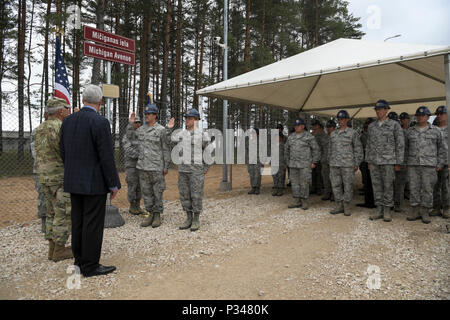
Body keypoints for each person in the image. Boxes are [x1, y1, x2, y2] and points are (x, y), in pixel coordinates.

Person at [60, 85, 121, 278]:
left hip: (73, 180)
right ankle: (90, 265)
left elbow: (63, 151)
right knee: (92, 224)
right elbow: (106, 156)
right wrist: (113, 183)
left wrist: (72, 171)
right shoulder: (100, 122)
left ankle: (78, 261)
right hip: (93, 182)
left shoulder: (68, 121)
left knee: (77, 221)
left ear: (83, 99)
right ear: (100, 102)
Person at [35, 99, 72, 262]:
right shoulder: (60, 127)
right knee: (62, 214)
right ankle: (59, 249)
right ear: (60, 111)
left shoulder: (39, 129)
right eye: (67, 109)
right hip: (59, 178)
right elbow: (65, 151)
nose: (69, 112)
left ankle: (51, 249)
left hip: (44, 177)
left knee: (50, 213)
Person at [405, 106, 447, 224]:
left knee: (428, 189)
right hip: (413, 165)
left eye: (423, 115)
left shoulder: (436, 131)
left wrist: (440, 163)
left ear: (428, 117)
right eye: (418, 115)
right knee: (414, 188)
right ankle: (415, 211)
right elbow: (406, 149)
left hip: (429, 165)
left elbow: (442, 149)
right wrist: (406, 162)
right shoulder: (410, 131)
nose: (420, 117)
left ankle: (425, 211)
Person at [366, 100, 404, 222]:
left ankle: (387, 210)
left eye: (381, 109)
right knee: (376, 186)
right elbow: (368, 144)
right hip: (374, 161)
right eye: (377, 109)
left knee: (387, 186)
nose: (378, 111)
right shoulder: (372, 126)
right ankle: (379, 209)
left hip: (388, 161)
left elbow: (400, 144)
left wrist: (398, 162)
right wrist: (368, 161)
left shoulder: (394, 125)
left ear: (387, 110)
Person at [173, 109, 210, 232]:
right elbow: (171, 143)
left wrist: (205, 167)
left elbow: (209, 151)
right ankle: (188, 217)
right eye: (186, 118)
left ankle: (196, 218)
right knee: (184, 194)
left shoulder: (202, 135)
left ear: (195, 120)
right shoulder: (182, 134)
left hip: (196, 170)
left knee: (196, 194)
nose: (187, 120)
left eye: (189, 118)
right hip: (183, 170)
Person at [137, 104, 171, 228]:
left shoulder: (161, 130)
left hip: (156, 166)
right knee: (146, 192)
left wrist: (166, 165)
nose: (146, 116)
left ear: (155, 115)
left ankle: (157, 215)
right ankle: (150, 213)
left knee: (157, 191)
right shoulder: (140, 129)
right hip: (143, 166)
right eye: (145, 114)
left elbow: (166, 148)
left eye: (149, 114)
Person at [329, 110, 363, 216]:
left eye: (342, 119)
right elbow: (330, 149)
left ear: (347, 119)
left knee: (348, 185)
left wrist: (356, 162)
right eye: (339, 119)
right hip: (334, 164)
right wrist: (329, 161)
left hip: (348, 164)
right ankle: (339, 205)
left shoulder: (352, 133)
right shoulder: (333, 134)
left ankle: (347, 205)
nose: (340, 121)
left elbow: (358, 149)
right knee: (336, 185)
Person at [285, 118, 321, 211]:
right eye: (296, 126)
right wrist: (288, 162)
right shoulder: (291, 137)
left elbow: (316, 149)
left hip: (305, 165)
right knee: (294, 183)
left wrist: (314, 162)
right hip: (293, 165)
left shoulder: (309, 136)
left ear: (303, 126)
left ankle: (304, 201)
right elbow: (286, 150)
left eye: (299, 125)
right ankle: (296, 201)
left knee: (304, 183)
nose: (297, 127)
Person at [123, 113, 146, 215]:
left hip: (141, 165)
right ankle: (132, 205)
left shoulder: (141, 136)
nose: (138, 125)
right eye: (135, 122)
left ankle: (137, 205)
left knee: (140, 186)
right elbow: (128, 150)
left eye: (139, 123)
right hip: (131, 165)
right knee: (132, 184)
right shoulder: (127, 137)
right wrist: (141, 154)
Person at [31, 111, 49, 233]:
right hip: (41, 170)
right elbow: (36, 153)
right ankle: (44, 222)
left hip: (55, 170)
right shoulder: (37, 131)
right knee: (43, 196)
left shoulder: (60, 129)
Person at [431, 106, 449, 219]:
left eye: (441, 113)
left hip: (447, 162)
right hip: (434, 162)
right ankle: (436, 208)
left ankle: (447, 208)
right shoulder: (433, 130)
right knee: (435, 186)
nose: (439, 116)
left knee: (446, 187)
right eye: (437, 114)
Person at [357, 118, 376, 209]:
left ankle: (374, 202)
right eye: (366, 125)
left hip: (373, 161)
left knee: (375, 182)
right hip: (364, 161)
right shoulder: (362, 136)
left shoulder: (375, 135)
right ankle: (368, 201)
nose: (367, 127)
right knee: (367, 182)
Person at [321, 120, 336, 201]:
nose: (328, 129)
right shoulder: (324, 137)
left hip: (334, 162)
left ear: (334, 128)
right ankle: (327, 193)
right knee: (326, 179)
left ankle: (334, 194)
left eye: (330, 127)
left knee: (334, 179)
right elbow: (321, 149)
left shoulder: (337, 136)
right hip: (325, 161)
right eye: (327, 127)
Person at [311, 120, 326, 196]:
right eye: (313, 125)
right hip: (312, 157)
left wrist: (322, 157)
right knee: (313, 173)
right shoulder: (311, 134)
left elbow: (324, 146)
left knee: (319, 173)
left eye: (315, 125)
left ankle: (319, 189)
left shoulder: (322, 134)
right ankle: (314, 187)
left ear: (318, 125)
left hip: (319, 156)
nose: (314, 126)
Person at [272, 127, 287, 197]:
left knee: (281, 177)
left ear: (281, 137)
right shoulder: (273, 145)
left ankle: (280, 189)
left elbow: (286, 155)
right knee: (275, 176)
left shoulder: (283, 145)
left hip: (281, 164)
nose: (276, 138)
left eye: (278, 137)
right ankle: (275, 188)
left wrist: (285, 163)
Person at [247, 128, 263, 195]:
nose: (253, 134)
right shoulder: (249, 141)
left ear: (258, 134)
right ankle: (253, 188)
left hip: (258, 161)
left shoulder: (261, 142)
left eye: (254, 133)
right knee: (251, 175)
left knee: (257, 175)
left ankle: (257, 188)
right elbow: (247, 151)